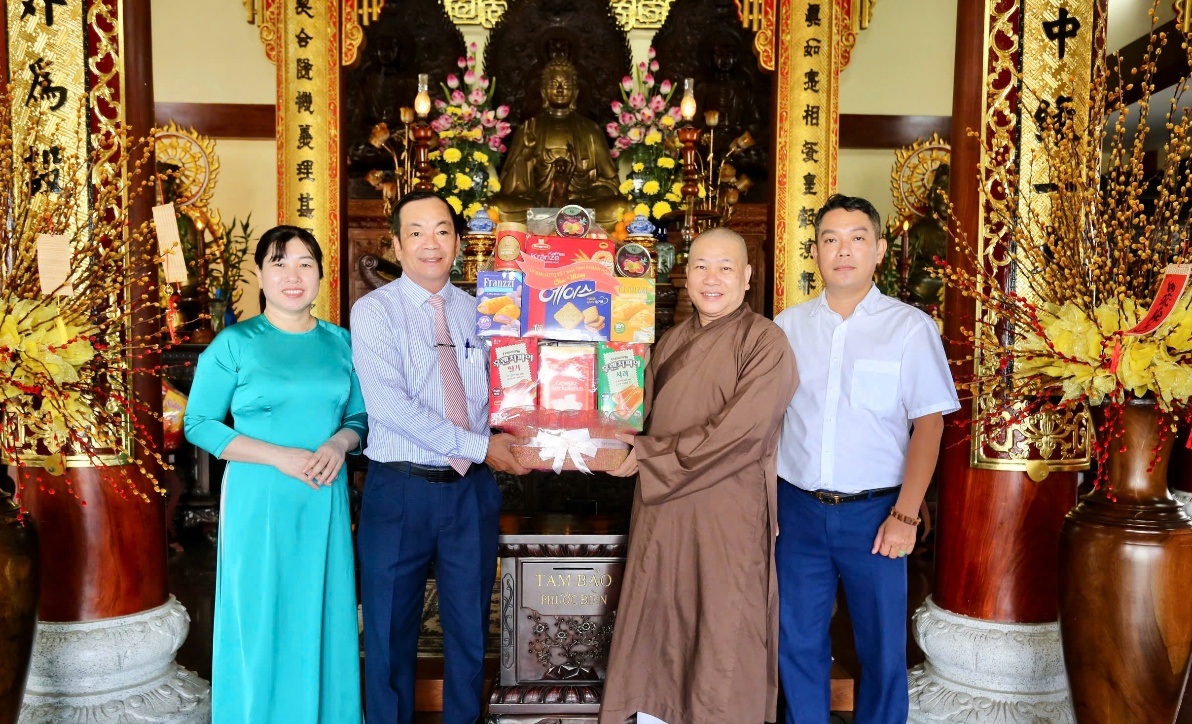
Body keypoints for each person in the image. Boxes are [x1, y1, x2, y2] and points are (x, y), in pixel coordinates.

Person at [599, 228, 799, 723]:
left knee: (720, 626)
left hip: (724, 515)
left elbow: (742, 433)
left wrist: (650, 456)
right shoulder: (670, 342)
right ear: (685, 276)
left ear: (747, 277)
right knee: (660, 620)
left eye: (725, 268)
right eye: (701, 267)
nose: (712, 278)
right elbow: (631, 415)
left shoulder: (766, 341)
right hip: (663, 512)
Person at [775, 194, 959, 724]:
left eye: (857, 239)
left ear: (878, 250)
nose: (843, 250)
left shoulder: (909, 327)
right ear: (815, 251)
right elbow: (768, 423)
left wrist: (906, 514)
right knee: (797, 642)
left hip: (877, 516)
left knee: (882, 649)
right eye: (830, 239)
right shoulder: (786, 327)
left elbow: (929, 424)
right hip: (798, 510)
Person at [350, 189, 529, 724]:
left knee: (471, 630)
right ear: (397, 246)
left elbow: (508, 391)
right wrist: (481, 447)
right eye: (417, 232)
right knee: (388, 631)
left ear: (458, 243)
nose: (431, 243)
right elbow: (390, 408)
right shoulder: (374, 311)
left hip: (470, 492)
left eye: (442, 231)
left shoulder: (482, 313)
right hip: (399, 490)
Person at [184, 226, 366, 723]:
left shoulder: (342, 343)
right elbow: (198, 423)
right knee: (261, 613)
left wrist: (339, 442)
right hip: (258, 496)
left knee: (321, 611)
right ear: (260, 275)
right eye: (279, 264)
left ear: (321, 275)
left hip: (323, 494)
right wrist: (278, 456)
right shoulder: (235, 343)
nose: (293, 275)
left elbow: (359, 417)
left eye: (305, 264)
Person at [488, 55, 630, 228]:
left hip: (580, 204)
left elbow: (611, 186)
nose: (560, 89)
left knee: (621, 206)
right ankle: (565, 221)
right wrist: (526, 154)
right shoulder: (529, 128)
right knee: (496, 205)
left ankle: (562, 218)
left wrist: (578, 198)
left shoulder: (590, 130)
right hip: (538, 205)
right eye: (554, 84)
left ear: (576, 92)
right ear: (543, 91)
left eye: (566, 85)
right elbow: (509, 188)